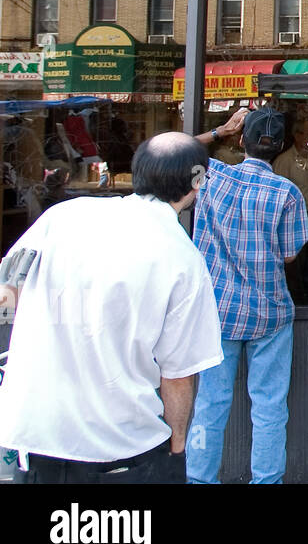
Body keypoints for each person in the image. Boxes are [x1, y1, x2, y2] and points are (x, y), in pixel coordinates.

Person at [0, 131, 223, 483]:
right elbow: (178, 375)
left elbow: (7, 289)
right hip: (122, 446)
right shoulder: (183, 260)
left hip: (37, 434)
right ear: (197, 182)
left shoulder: (62, 217)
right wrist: (177, 448)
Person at [187, 107, 308, 484]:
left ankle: (199, 480)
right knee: (270, 408)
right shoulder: (287, 192)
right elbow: (290, 253)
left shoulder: (211, 176)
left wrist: (218, 131)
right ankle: (266, 481)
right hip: (268, 312)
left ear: (241, 140)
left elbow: (170, 151)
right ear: (282, 146)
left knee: (209, 405)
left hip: (218, 313)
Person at [274, 114, 308, 305]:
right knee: (294, 267)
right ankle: (297, 303)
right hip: (291, 218)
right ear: (297, 135)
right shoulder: (284, 161)